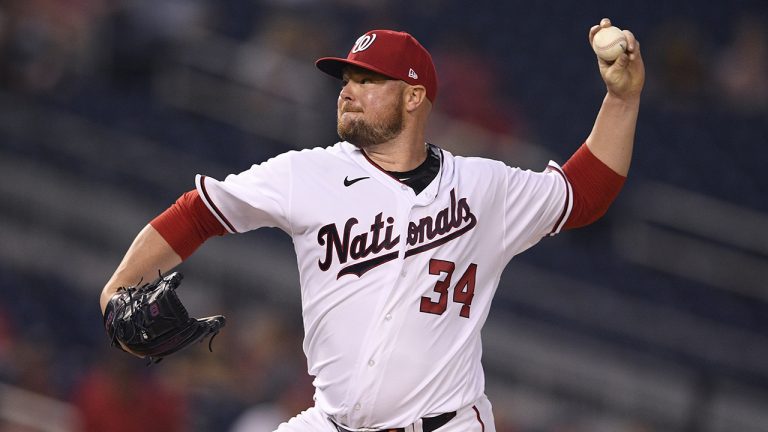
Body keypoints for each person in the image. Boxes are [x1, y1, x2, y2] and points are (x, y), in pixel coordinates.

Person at [100, 18, 644, 432]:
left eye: (368, 79)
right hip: (331, 422)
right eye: (346, 78)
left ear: (413, 97)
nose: (348, 88)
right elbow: (199, 211)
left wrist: (622, 97)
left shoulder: (483, 187)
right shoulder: (305, 172)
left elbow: (582, 194)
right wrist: (119, 289)